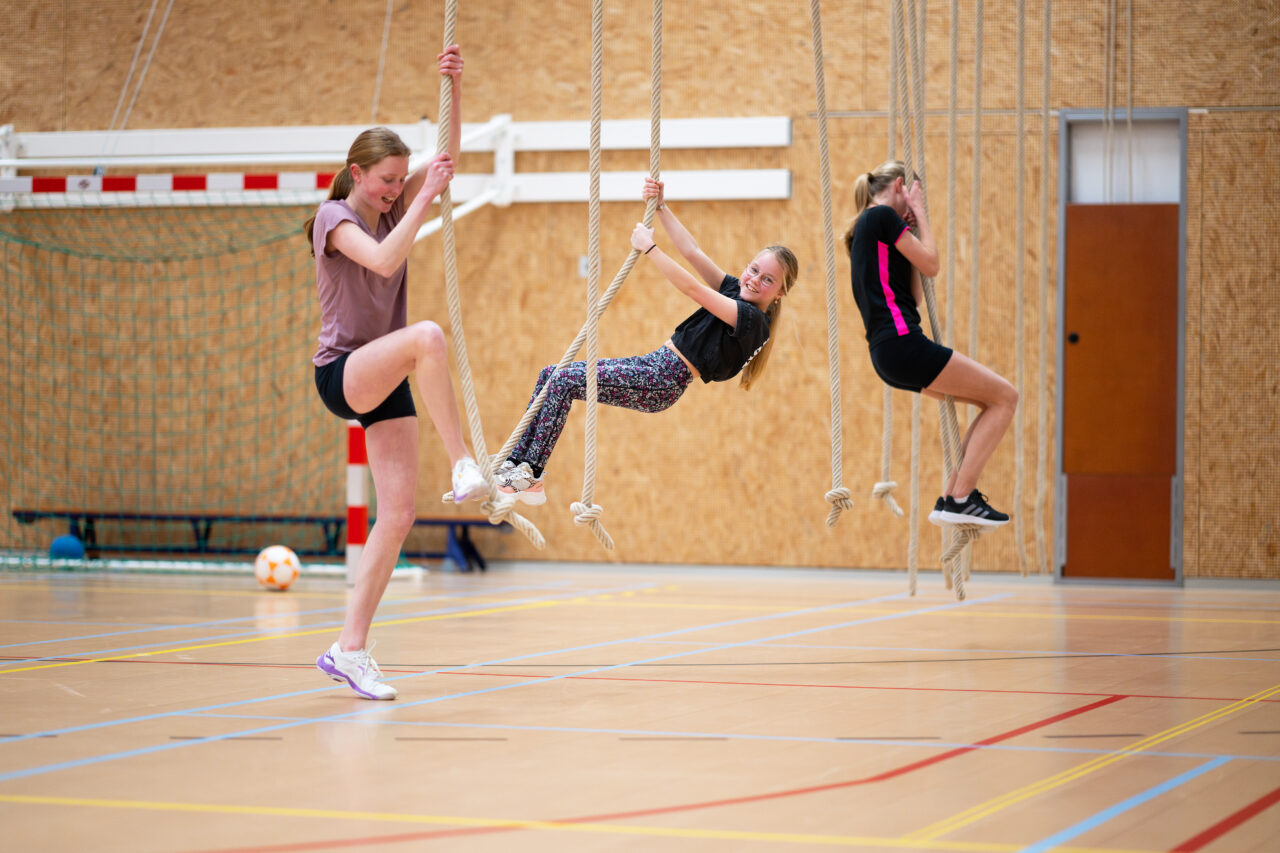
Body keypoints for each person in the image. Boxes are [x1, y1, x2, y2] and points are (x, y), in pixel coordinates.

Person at [304, 45, 486, 700]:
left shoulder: (392, 206)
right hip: (344, 371)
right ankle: (464, 462)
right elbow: (381, 262)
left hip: (385, 372)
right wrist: (422, 199)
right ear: (356, 173)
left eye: (398, 180)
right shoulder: (336, 218)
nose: (392, 188)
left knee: (400, 511)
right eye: (385, 179)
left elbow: (448, 160)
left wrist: (453, 90)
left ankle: (348, 648)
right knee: (428, 335)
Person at [492, 177, 799, 505]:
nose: (754, 280)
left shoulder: (753, 321)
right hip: (654, 364)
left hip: (664, 378)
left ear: (780, 292)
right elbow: (692, 251)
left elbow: (694, 289)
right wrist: (662, 208)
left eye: (767, 280)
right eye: (753, 269)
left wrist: (650, 249)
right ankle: (517, 464)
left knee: (564, 380)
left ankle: (532, 472)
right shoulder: (736, 289)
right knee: (550, 375)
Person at [843, 159, 1017, 527]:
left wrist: (913, 233)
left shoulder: (869, 227)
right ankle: (960, 497)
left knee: (993, 401)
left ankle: (954, 495)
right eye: (917, 196)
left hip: (890, 353)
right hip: (903, 344)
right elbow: (934, 264)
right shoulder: (880, 217)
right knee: (1006, 397)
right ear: (903, 187)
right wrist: (920, 215)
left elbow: (916, 296)